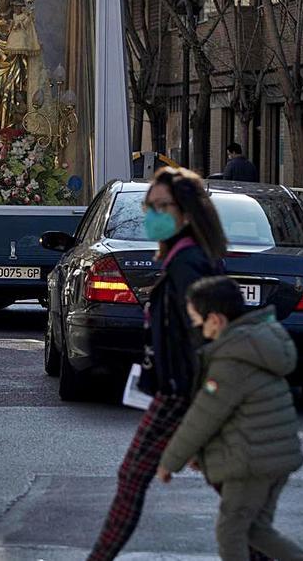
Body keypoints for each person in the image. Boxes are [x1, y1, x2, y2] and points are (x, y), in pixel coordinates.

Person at [89, 167, 232, 560]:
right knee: (231, 493)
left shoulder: (188, 264)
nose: (152, 214)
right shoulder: (190, 257)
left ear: (185, 212)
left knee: (133, 477)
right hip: (187, 392)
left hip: (182, 395)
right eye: (148, 206)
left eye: (162, 206)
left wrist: (198, 402)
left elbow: (202, 335)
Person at [156, 277, 303, 561]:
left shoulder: (231, 360)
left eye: (198, 322)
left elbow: (203, 417)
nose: (198, 329)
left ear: (215, 319)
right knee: (256, 531)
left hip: (252, 463)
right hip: (275, 458)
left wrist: (170, 462)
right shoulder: (256, 342)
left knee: (230, 532)